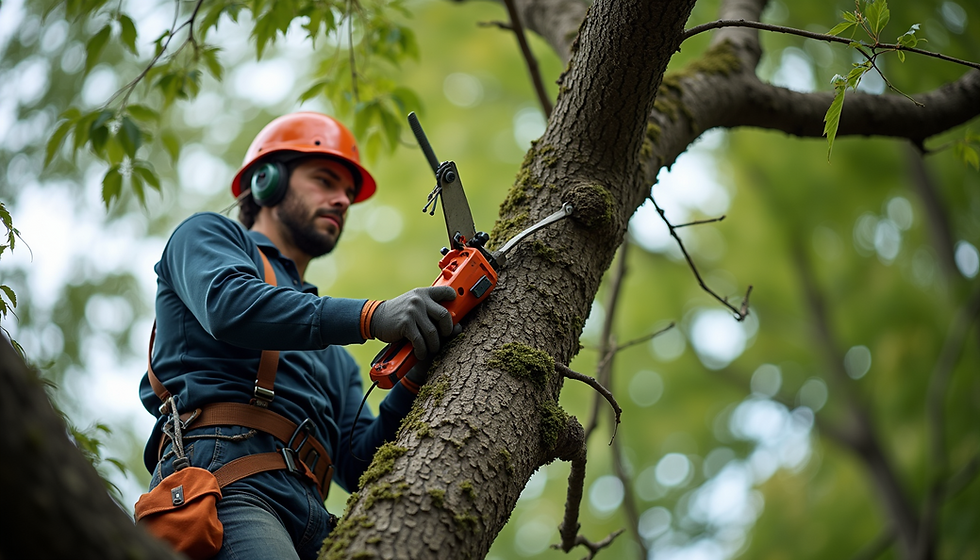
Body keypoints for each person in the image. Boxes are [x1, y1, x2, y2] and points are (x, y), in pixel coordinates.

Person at [138, 112, 457, 560]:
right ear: (266, 181)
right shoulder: (206, 235)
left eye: (348, 193)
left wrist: (418, 369)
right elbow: (230, 308)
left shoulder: (335, 360)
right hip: (228, 481)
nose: (342, 200)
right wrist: (372, 316)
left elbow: (359, 463)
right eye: (325, 181)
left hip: (314, 515)